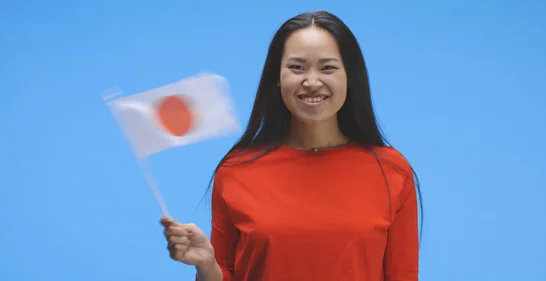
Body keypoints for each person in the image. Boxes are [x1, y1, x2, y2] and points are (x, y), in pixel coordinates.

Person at [159, 10, 423, 281]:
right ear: (277, 76)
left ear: (350, 76)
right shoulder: (236, 170)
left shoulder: (391, 170)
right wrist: (207, 265)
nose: (311, 81)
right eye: (297, 67)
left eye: (327, 67)